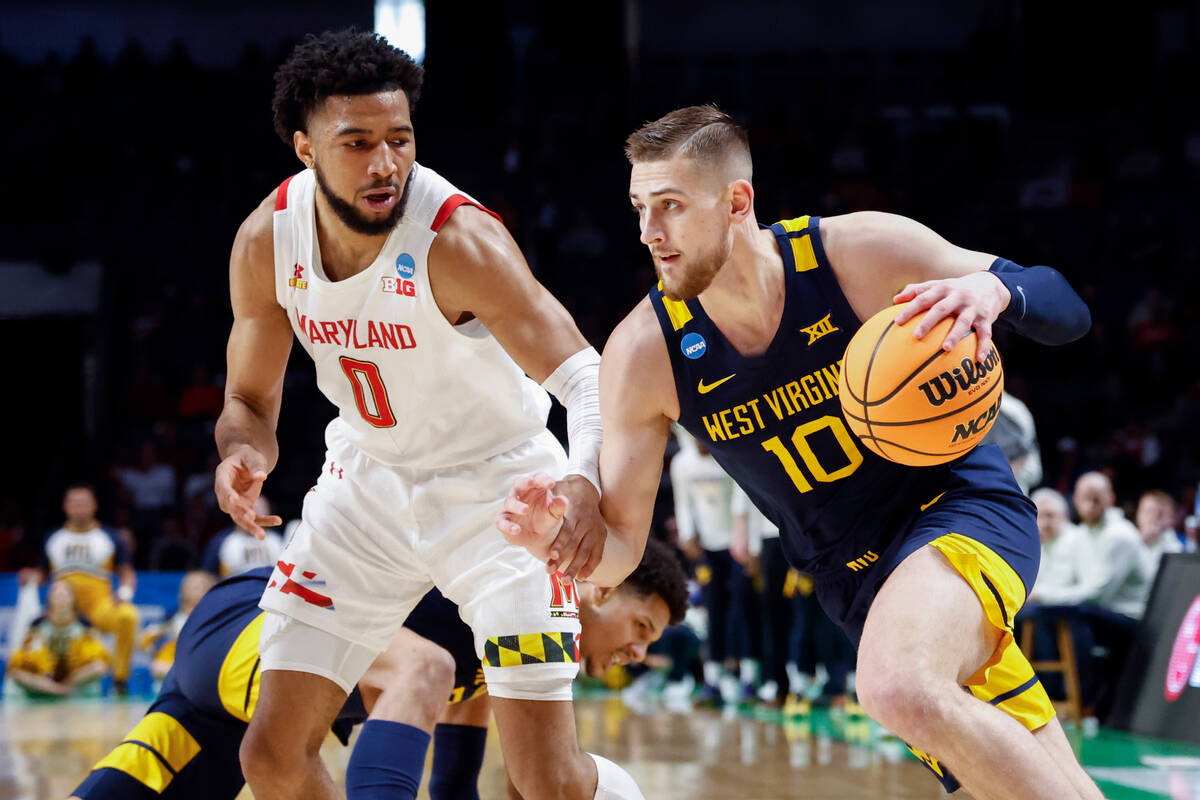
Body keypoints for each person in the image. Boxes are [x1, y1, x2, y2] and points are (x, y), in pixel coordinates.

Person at [499, 106, 1100, 798]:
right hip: (855, 585)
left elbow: (1065, 308)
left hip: (959, 509)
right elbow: (624, 548)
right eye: (639, 208)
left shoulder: (857, 254)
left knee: (897, 686)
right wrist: (558, 539)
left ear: (737, 202)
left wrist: (995, 288)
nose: (649, 233)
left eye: (669, 206)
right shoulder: (645, 351)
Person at [214, 28, 637, 800]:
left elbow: (585, 375)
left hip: (501, 489)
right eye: (358, 143)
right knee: (271, 758)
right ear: (305, 149)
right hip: (366, 482)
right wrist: (245, 453)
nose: (385, 165)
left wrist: (581, 478)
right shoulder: (265, 242)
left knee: (546, 781)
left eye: (400, 139)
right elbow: (248, 402)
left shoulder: (460, 241)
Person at [69, 540, 688, 799]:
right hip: (262, 616)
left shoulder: (520, 662)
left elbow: (452, 785)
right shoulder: (526, 583)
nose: (636, 654)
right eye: (641, 629)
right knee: (424, 665)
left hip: (226, 702)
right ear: (602, 590)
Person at [19, 484, 139, 694]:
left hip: (98, 606)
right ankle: (44, 680)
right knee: (34, 630)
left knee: (128, 616)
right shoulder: (52, 538)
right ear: (65, 506)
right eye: (74, 503)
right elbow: (42, 573)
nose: (79, 508)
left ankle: (120, 680)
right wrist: (31, 576)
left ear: (94, 506)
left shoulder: (110, 536)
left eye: (84, 503)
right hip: (62, 609)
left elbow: (126, 572)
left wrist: (125, 592)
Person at [7, 581, 109, 697]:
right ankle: (56, 690)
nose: (61, 595)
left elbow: (100, 659)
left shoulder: (85, 625)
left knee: (99, 667)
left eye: (66, 592)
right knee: (17, 674)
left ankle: (61, 690)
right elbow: (23, 659)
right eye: (56, 592)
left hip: (75, 678)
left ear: (73, 599)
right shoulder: (37, 625)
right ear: (49, 598)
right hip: (45, 679)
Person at [143, 570, 217, 680]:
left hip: (203, 662)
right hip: (174, 662)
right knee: (159, 666)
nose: (194, 588)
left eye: (199, 585)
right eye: (190, 585)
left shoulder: (214, 618)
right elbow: (150, 635)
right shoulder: (173, 618)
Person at [200, 495, 284, 577]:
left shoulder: (278, 540)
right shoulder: (222, 541)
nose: (255, 514)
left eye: (261, 509)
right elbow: (207, 574)